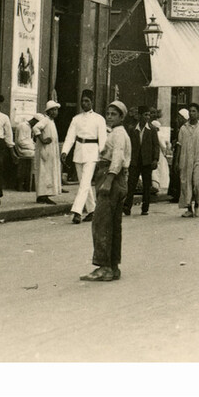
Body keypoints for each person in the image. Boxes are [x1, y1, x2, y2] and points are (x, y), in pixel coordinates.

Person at [80, 100, 131, 282]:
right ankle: (113, 266)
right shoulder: (117, 133)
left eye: (114, 114)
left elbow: (117, 158)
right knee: (113, 225)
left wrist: (108, 181)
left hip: (111, 178)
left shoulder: (118, 134)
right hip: (117, 179)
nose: (109, 117)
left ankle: (104, 267)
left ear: (121, 117)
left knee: (101, 223)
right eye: (108, 113)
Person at [61, 89, 109, 224]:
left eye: (87, 101)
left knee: (84, 183)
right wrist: (64, 152)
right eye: (82, 101)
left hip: (92, 153)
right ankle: (92, 210)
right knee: (84, 183)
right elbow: (70, 137)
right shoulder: (76, 119)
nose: (84, 104)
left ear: (92, 102)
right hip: (78, 152)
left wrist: (102, 156)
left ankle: (77, 211)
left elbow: (103, 139)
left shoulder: (99, 119)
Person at [123, 105, 160, 217]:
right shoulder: (132, 129)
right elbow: (128, 145)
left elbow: (156, 146)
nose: (147, 117)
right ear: (139, 116)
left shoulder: (152, 130)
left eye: (149, 115)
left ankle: (145, 207)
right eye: (145, 115)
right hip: (135, 161)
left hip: (147, 161)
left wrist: (155, 159)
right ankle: (127, 206)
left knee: (147, 185)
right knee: (131, 184)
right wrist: (127, 159)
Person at [178, 103, 199, 218]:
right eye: (190, 111)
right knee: (186, 183)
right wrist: (177, 161)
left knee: (197, 183)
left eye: (194, 111)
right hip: (185, 159)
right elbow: (179, 145)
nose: (192, 113)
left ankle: (197, 205)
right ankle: (189, 209)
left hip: (198, 159)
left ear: (198, 113)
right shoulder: (183, 128)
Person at [32, 101, 61, 204]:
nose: (55, 112)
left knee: (48, 172)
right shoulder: (45, 120)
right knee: (44, 172)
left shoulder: (51, 122)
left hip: (50, 151)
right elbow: (35, 128)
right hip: (45, 150)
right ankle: (42, 195)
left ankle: (45, 194)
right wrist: (43, 140)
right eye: (53, 110)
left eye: (56, 110)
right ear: (49, 111)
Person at [168, 108, 189, 203]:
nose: (178, 120)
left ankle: (179, 195)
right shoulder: (180, 128)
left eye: (180, 117)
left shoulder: (185, 129)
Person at [150, 119, 170, 196]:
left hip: (159, 154)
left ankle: (158, 185)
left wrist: (164, 152)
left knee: (159, 170)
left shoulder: (158, 135)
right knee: (159, 170)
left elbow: (163, 146)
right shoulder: (157, 135)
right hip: (158, 154)